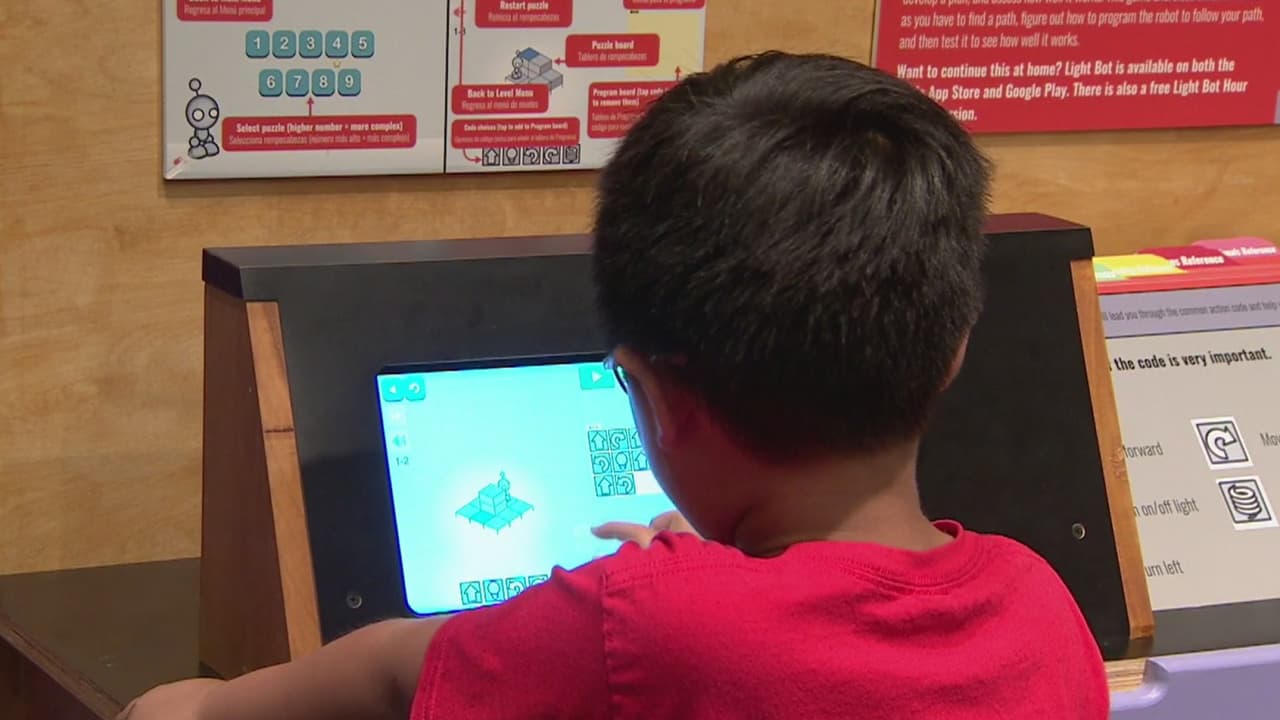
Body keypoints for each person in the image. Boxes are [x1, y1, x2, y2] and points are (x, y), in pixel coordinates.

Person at [120, 52, 1109, 720]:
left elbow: (389, 675)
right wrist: (713, 578)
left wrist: (189, 708)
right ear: (953, 347)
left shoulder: (647, 623)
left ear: (654, 399)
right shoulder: (1042, 609)